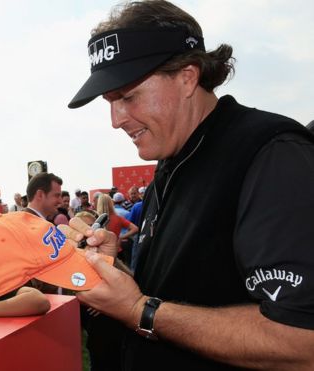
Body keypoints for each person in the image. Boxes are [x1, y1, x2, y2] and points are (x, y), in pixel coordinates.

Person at [67, 1, 314, 369]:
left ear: (187, 76)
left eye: (128, 96)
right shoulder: (172, 163)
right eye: (109, 102)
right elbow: (182, 293)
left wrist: (139, 311)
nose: (116, 120)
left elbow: (301, 340)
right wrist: (114, 272)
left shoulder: (272, 155)